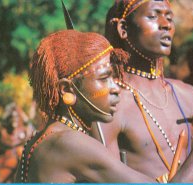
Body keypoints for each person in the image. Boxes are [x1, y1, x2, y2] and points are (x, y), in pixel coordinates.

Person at [91, 0, 193, 182]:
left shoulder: (187, 94)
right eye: (153, 16)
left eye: (169, 18)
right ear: (123, 29)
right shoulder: (110, 103)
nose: (166, 24)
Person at [15, 29, 160, 183]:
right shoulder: (71, 143)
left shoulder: (42, 138)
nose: (116, 88)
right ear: (66, 89)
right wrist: (190, 156)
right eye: (104, 78)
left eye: (113, 78)